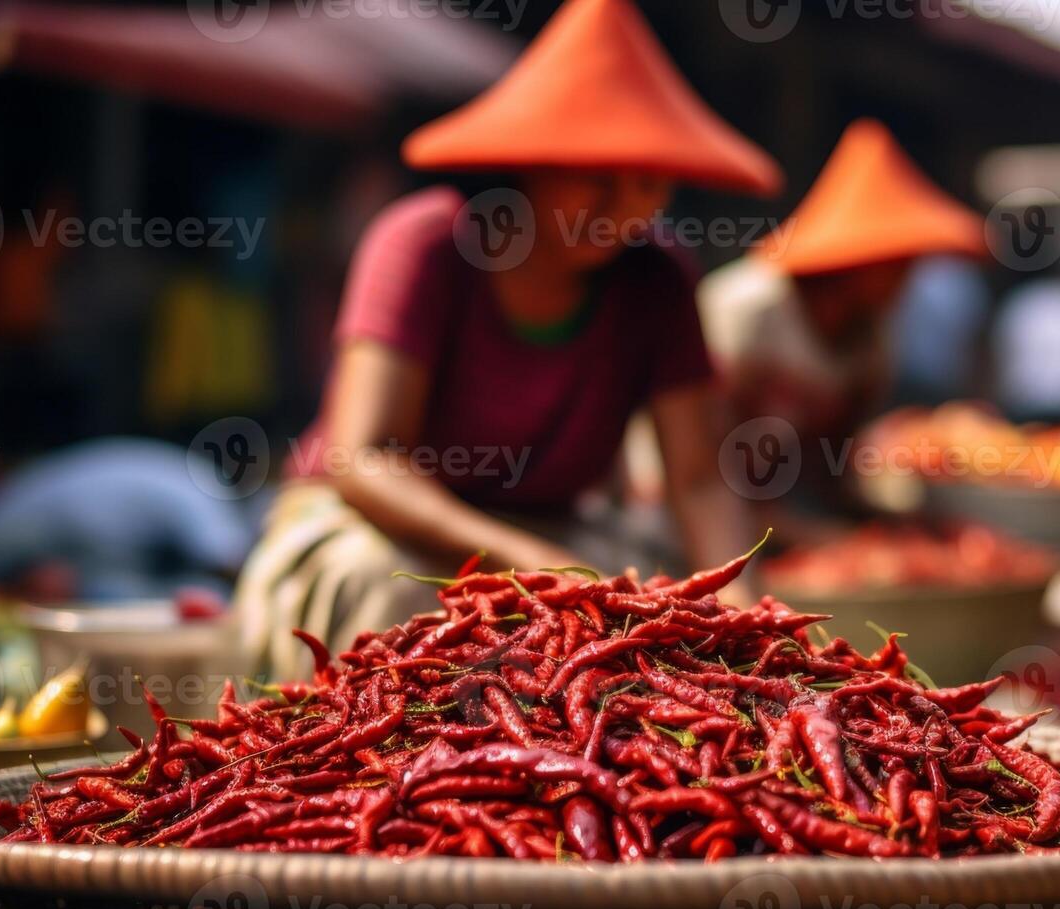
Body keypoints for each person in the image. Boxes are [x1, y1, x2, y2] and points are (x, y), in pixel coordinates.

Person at [235, 0, 779, 678]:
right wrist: (535, 566)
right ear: (530, 162)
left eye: (647, 181)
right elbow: (364, 458)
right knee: (395, 599)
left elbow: (697, 479)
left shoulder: (659, 280)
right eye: (594, 176)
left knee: (666, 622)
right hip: (379, 529)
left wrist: (749, 615)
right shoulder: (426, 243)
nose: (624, 206)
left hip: (550, 530)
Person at [698, 119, 985, 523]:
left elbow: (837, 467)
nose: (907, 282)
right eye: (897, 266)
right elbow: (697, 468)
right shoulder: (750, 311)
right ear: (859, 260)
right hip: (695, 515)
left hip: (781, 514)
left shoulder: (871, 337)